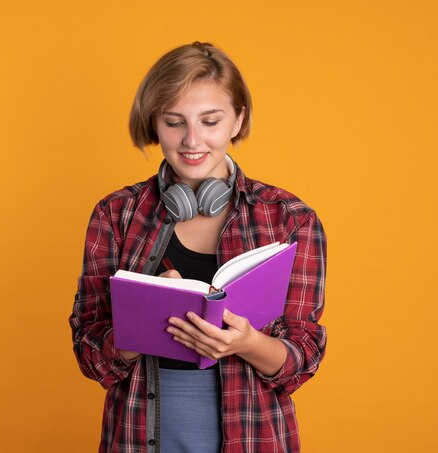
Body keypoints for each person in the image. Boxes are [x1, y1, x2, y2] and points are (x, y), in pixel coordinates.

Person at [70, 41, 327, 453]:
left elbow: (304, 356)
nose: (192, 140)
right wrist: (147, 319)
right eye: (174, 122)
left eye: (210, 121)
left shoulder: (289, 218)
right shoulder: (116, 214)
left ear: (238, 120)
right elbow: (90, 353)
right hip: (140, 436)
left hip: (254, 436)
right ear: (154, 123)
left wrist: (246, 343)